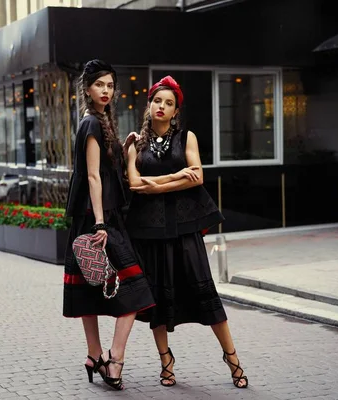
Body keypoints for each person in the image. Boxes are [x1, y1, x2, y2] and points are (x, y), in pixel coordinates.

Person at [126, 76, 248, 389]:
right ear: (149, 105)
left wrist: (158, 184)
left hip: (184, 228)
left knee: (205, 291)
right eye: (157, 101)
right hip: (150, 232)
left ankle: (232, 357)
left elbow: (197, 178)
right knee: (157, 301)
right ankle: (166, 361)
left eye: (169, 103)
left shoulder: (186, 138)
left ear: (176, 109)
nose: (162, 107)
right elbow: (134, 185)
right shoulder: (136, 143)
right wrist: (175, 175)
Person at [63, 60, 155, 391]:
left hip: (97, 218)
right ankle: (113, 359)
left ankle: (95, 355)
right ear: (87, 88)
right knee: (135, 287)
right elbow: (91, 176)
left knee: (91, 289)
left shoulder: (101, 122)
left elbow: (104, 169)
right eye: (100, 84)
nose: (106, 90)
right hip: (98, 220)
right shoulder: (91, 124)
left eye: (110, 85)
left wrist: (124, 146)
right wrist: (101, 224)